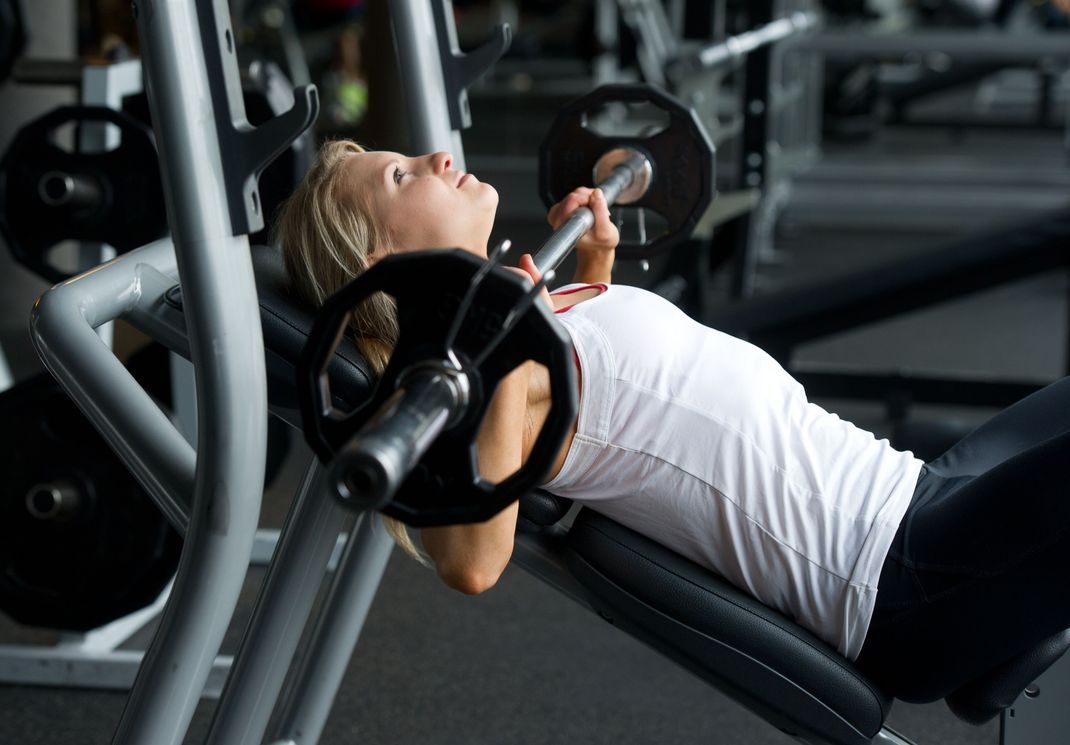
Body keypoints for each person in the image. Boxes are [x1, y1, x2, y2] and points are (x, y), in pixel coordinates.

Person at [275, 139, 1070, 704]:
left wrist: (594, 273)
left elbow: (633, 403)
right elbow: (472, 563)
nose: (438, 157)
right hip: (895, 576)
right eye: (402, 174)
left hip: (912, 489)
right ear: (382, 260)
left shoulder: (530, 320)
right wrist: (505, 347)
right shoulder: (474, 382)